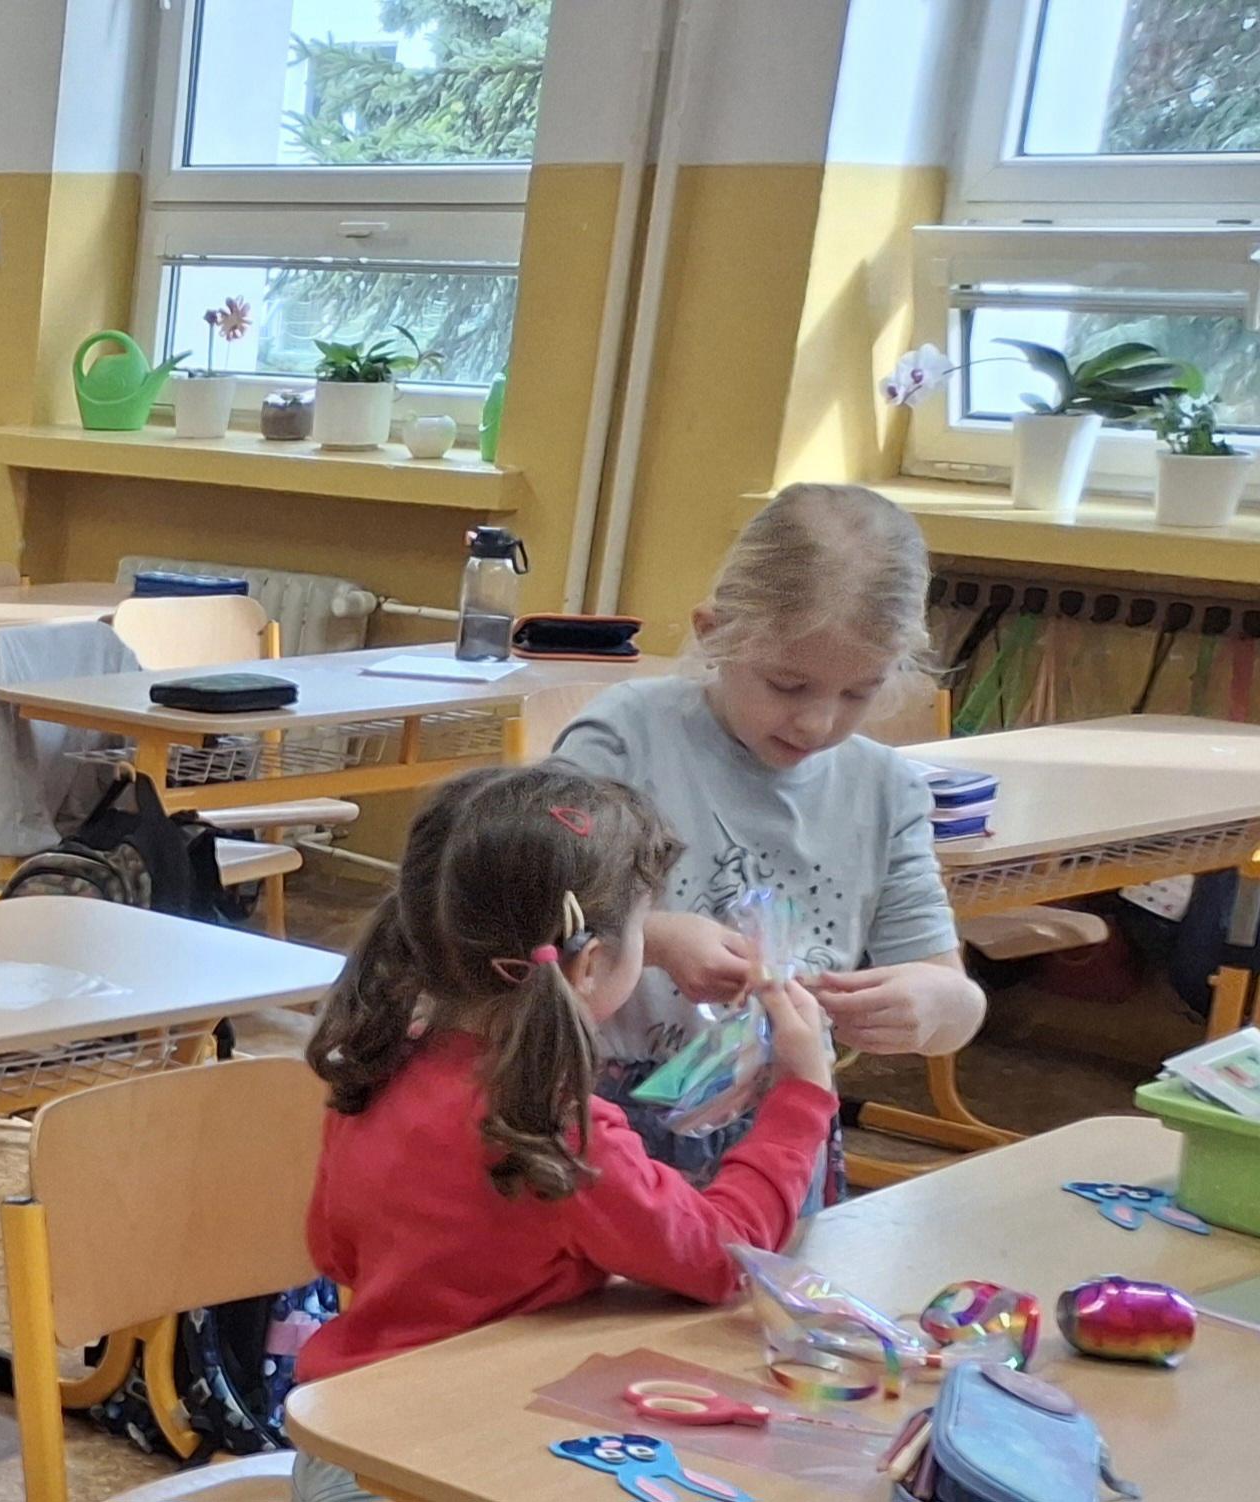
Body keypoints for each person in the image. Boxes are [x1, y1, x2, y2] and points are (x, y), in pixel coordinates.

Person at [292, 764, 838, 1502]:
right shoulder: (544, 1126)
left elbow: (335, 1251)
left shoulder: (377, 1064)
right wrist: (803, 1095)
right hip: (451, 1467)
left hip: (338, 1445)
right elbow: (727, 1256)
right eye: (643, 929)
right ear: (590, 965)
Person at [547, 483, 978, 1191]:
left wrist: (933, 1007)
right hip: (599, 1120)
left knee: (766, 1266)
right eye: (787, 684)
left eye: (858, 693)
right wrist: (653, 937)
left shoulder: (886, 790)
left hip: (785, 1121)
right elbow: (518, 907)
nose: (818, 722)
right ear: (713, 632)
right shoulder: (627, 737)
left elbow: (952, 995)